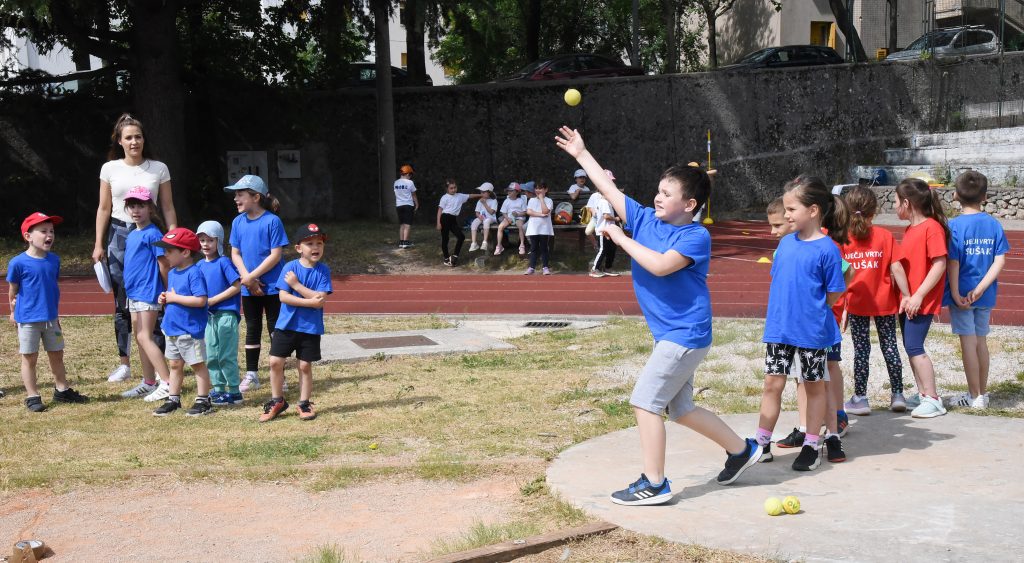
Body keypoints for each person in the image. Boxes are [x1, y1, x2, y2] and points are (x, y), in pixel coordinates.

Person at [555, 126, 761, 506]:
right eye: (658, 190)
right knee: (681, 409)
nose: (658, 197)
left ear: (691, 204)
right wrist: (582, 153)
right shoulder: (647, 219)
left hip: (685, 334)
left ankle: (655, 483)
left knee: (645, 401)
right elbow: (609, 189)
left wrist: (619, 238)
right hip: (673, 334)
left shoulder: (695, 237)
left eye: (668, 193)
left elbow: (661, 266)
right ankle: (742, 450)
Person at [753, 175, 849, 472]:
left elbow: (834, 291)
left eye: (792, 209)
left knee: (814, 386)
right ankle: (761, 442)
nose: (787, 215)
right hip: (779, 329)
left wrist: (812, 311)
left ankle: (810, 444)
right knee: (772, 384)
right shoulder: (785, 244)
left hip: (811, 333)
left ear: (813, 210)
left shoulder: (828, 249)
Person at [93, 113, 177, 386]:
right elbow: (104, 208)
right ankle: (125, 364)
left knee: (154, 298)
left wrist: (173, 237)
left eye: (138, 136)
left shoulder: (159, 168)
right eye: (128, 137)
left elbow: (166, 207)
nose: (133, 141)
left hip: (150, 234)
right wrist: (98, 244)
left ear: (143, 139)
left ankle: (158, 365)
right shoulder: (110, 169)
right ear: (119, 141)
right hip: (119, 234)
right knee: (122, 302)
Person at [7, 212, 89, 412]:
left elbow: (50, 288)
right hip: (28, 319)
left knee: (57, 355)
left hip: (51, 318)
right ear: (28, 236)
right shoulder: (18, 263)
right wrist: (13, 311)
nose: (48, 235)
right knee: (30, 358)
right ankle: (32, 395)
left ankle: (62, 390)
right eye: (42, 231)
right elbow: (13, 290)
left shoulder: (54, 260)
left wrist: (56, 316)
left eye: (51, 231)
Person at [840, 186, 911, 415]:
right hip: (884, 302)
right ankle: (898, 394)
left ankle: (860, 398)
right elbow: (897, 268)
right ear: (875, 211)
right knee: (890, 347)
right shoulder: (884, 236)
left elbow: (839, 274)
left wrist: (842, 307)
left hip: (857, 302)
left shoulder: (842, 239)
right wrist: (907, 295)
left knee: (861, 351)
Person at [944, 171, 1010, 409]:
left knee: (968, 343)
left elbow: (953, 261)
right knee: (981, 341)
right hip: (985, 293)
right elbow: (999, 261)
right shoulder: (993, 224)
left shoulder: (954, 226)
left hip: (961, 293)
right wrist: (982, 288)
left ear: (955, 196)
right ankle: (982, 392)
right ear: (984, 197)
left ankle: (974, 396)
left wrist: (953, 292)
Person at [260, 223, 333, 422]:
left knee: (304, 366)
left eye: (319, 243)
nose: (315, 247)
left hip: (309, 328)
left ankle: (304, 402)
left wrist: (297, 285)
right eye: (309, 243)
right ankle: (277, 401)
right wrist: (310, 301)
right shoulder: (289, 267)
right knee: (275, 362)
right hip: (286, 325)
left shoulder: (323, 270)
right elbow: (283, 297)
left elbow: (320, 300)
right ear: (299, 248)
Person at [225, 175, 288, 393]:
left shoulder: (272, 221)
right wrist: (247, 278)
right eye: (235, 194)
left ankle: (279, 373)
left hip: (271, 286)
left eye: (240, 194)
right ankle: (251, 374)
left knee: (275, 329)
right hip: (248, 286)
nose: (235, 198)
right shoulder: (237, 222)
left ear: (256, 197)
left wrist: (253, 276)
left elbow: (275, 255)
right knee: (252, 328)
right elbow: (235, 253)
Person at [894, 178, 949, 418]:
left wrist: (918, 295)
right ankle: (922, 393)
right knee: (910, 346)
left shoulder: (932, 228)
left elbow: (939, 264)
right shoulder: (911, 229)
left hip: (920, 301)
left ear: (906, 203)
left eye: (896, 202)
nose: (894, 207)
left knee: (915, 346)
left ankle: (933, 398)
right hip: (909, 301)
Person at [152, 228, 213, 417]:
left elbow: (201, 300)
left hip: (189, 330)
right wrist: (165, 298)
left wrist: (174, 298)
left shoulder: (194, 273)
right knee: (175, 365)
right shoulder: (172, 272)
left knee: (197, 364)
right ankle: (173, 398)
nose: (165, 254)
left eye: (169, 251)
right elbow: (174, 296)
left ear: (185, 252)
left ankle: (204, 400)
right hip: (173, 328)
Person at [120, 187, 173, 402]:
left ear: (150, 208)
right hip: (134, 292)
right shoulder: (133, 233)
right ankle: (148, 382)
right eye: (132, 206)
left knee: (144, 336)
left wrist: (168, 291)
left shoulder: (153, 234)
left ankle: (168, 382)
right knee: (140, 337)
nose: (136, 210)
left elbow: (164, 264)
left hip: (147, 292)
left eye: (141, 206)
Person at [196, 221, 243, 406]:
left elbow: (237, 285)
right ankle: (218, 388)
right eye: (202, 240)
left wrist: (215, 300)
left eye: (210, 240)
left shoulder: (224, 262)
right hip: (208, 317)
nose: (206, 244)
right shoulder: (199, 265)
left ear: (219, 241)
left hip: (225, 315)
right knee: (212, 354)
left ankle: (234, 391)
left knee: (226, 354)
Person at [436, 179, 484, 266]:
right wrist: (438, 223)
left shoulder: (460, 196)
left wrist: (481, 194)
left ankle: (455, 256)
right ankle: (446, 259)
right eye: (451, 188)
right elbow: (440, 210)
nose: (453, 189)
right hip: (445, 218)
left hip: (453, 219)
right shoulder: (444, 197)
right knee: (445, 239)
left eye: (455, 187)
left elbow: (470, 195)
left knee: (461, 237)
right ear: (447, 189)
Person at [589, 181, 622, 278]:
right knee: (603, 250)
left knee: (612, 249)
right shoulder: (604, 202)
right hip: (603, 231)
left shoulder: (607, 202)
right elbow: (606, 216)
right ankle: (594, 269)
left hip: (610, 230)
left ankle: (608, 268)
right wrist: (616, 218)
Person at [525, 180, 554, 275]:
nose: (538, 190)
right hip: (533, 228)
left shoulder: (549, 200)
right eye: (536, 188)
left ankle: (545, 267)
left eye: (540, 188)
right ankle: (531, 267)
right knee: (533, 248)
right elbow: (529, 212)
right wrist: (540, 215)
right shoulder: (531, 200)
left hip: (544, 228)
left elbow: (546, 211)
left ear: (546, 190)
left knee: (544, 248)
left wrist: (541, 199)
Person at [494, 183, 528, 256]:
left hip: (519, 218)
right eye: (508, 191)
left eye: (511, 191)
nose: (509, 192)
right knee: (500, 227)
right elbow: (503, 212)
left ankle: (522, 245)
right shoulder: (506, 201)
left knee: (521, 227)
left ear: (517, 192)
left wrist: (518, 214)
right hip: (508, 218)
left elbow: (525, 212)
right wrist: (507, 218)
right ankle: (499, 246)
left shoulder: (521, 201)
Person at [394, 164, 419, 249]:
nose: (411, 177)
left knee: (402, 224)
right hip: (408, 205)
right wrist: (417, 204)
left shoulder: (396, 182)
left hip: (399, 205)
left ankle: (401, 242)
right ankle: (406, 242)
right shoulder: (410, 182)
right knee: (408, 224)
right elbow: (414, 195)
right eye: (411, 175)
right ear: (408, 174)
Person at [468, 183, 497, 253]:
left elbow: (491, 212)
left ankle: (485, 242)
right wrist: (479, 216)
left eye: (483, 192)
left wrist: (484, 203)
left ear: (489, 193)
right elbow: (477, 212)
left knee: (486, 221)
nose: (481, 193)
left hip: (491, 218)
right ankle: (474, 243)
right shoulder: (479, 201)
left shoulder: (494, 201)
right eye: (481, 192)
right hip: (482, 218)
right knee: (474, 223)